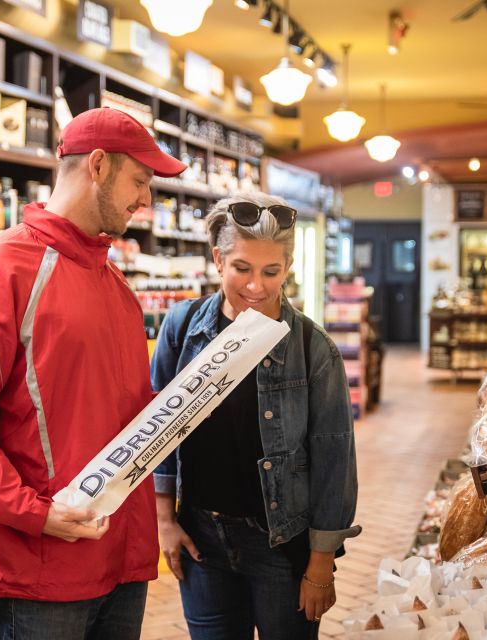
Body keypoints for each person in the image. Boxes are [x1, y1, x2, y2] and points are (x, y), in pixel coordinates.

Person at [0, 107, 187, 640]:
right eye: (140, 181)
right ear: (97, 165)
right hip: (41, 569)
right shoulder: (0, 270)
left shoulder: (115, 285)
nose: (146, 201)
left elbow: (115, 415)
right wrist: (35, 514)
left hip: (122, 561)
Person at [151, 193, 361, 639]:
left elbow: (334, 457)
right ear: (217, 260)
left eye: (272, 271)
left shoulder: (312, 347)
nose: (256, 287)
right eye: (241, 269)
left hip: (280, 545)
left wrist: (321, 563)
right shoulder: (183, 326)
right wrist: (164, 520)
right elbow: (160, 430)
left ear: (288, 267)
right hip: (201, 540)